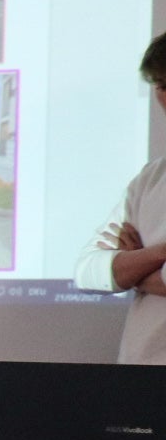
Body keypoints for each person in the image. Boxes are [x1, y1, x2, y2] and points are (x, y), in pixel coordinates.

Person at [73, 32, 166, 362]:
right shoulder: (151, 178)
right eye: (161, 86)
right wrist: (158, 254)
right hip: (141, 382)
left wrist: (133, 269)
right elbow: (88, 271)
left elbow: (115, 273)